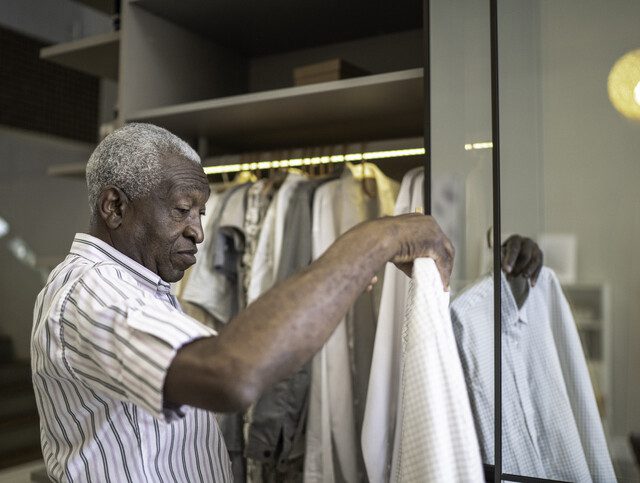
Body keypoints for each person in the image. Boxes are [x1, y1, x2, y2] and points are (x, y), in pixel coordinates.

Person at [31, 123, 541, 482]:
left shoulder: (142, 286)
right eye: (183, 210)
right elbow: (230, 372)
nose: (199, 231)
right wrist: (377, 238)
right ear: (115, 206)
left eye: (203, 213)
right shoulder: (90, 292)